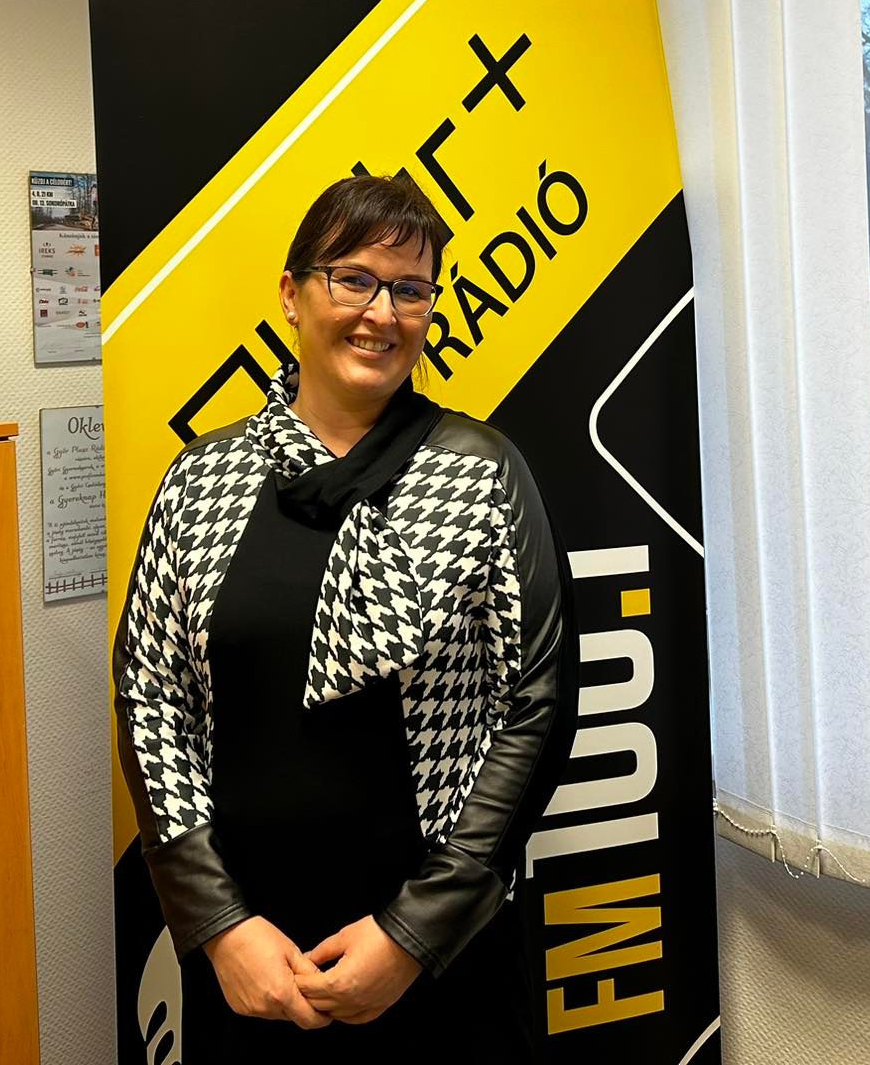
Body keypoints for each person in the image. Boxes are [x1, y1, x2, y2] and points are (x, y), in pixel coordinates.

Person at [114, 173, 576, 1062]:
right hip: (251, 965)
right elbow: (152, 699)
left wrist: (415, 932)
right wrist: (220, 925)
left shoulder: (481, 472)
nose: (382, 313)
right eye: (354, 279)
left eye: (410, 290)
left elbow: (536, 705)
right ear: (292, 295)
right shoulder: (202, 479)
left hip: (444, 960)